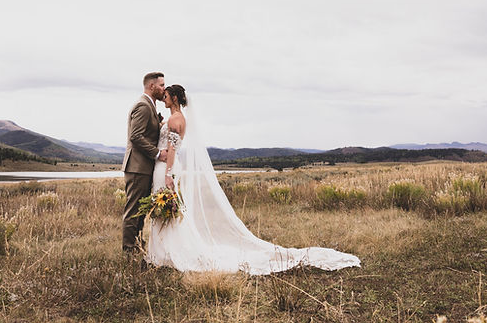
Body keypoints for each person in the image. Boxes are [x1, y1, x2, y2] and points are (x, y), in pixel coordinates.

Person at [145, 84, 361, 275]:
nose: (163, 98)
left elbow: (172, 148)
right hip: (167, 166)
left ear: (174, 98)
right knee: (168, 208)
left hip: (167, 167)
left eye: (166, 95)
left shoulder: (176, 119)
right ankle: (164, 250)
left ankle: (168, 252)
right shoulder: (176, 118)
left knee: (167, 207)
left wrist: (168, 174)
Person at [122, 71, 167, 254]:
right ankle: (128, 252)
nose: (164, 88)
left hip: (144, 168)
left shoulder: (150, 106)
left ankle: (138, 247)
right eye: (162, 85)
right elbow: (135, 136)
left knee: (141, 211)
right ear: (152, 86)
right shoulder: (143, 106)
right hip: (137, 167)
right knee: (133, 211)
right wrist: (157, 153)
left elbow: (146, 133)